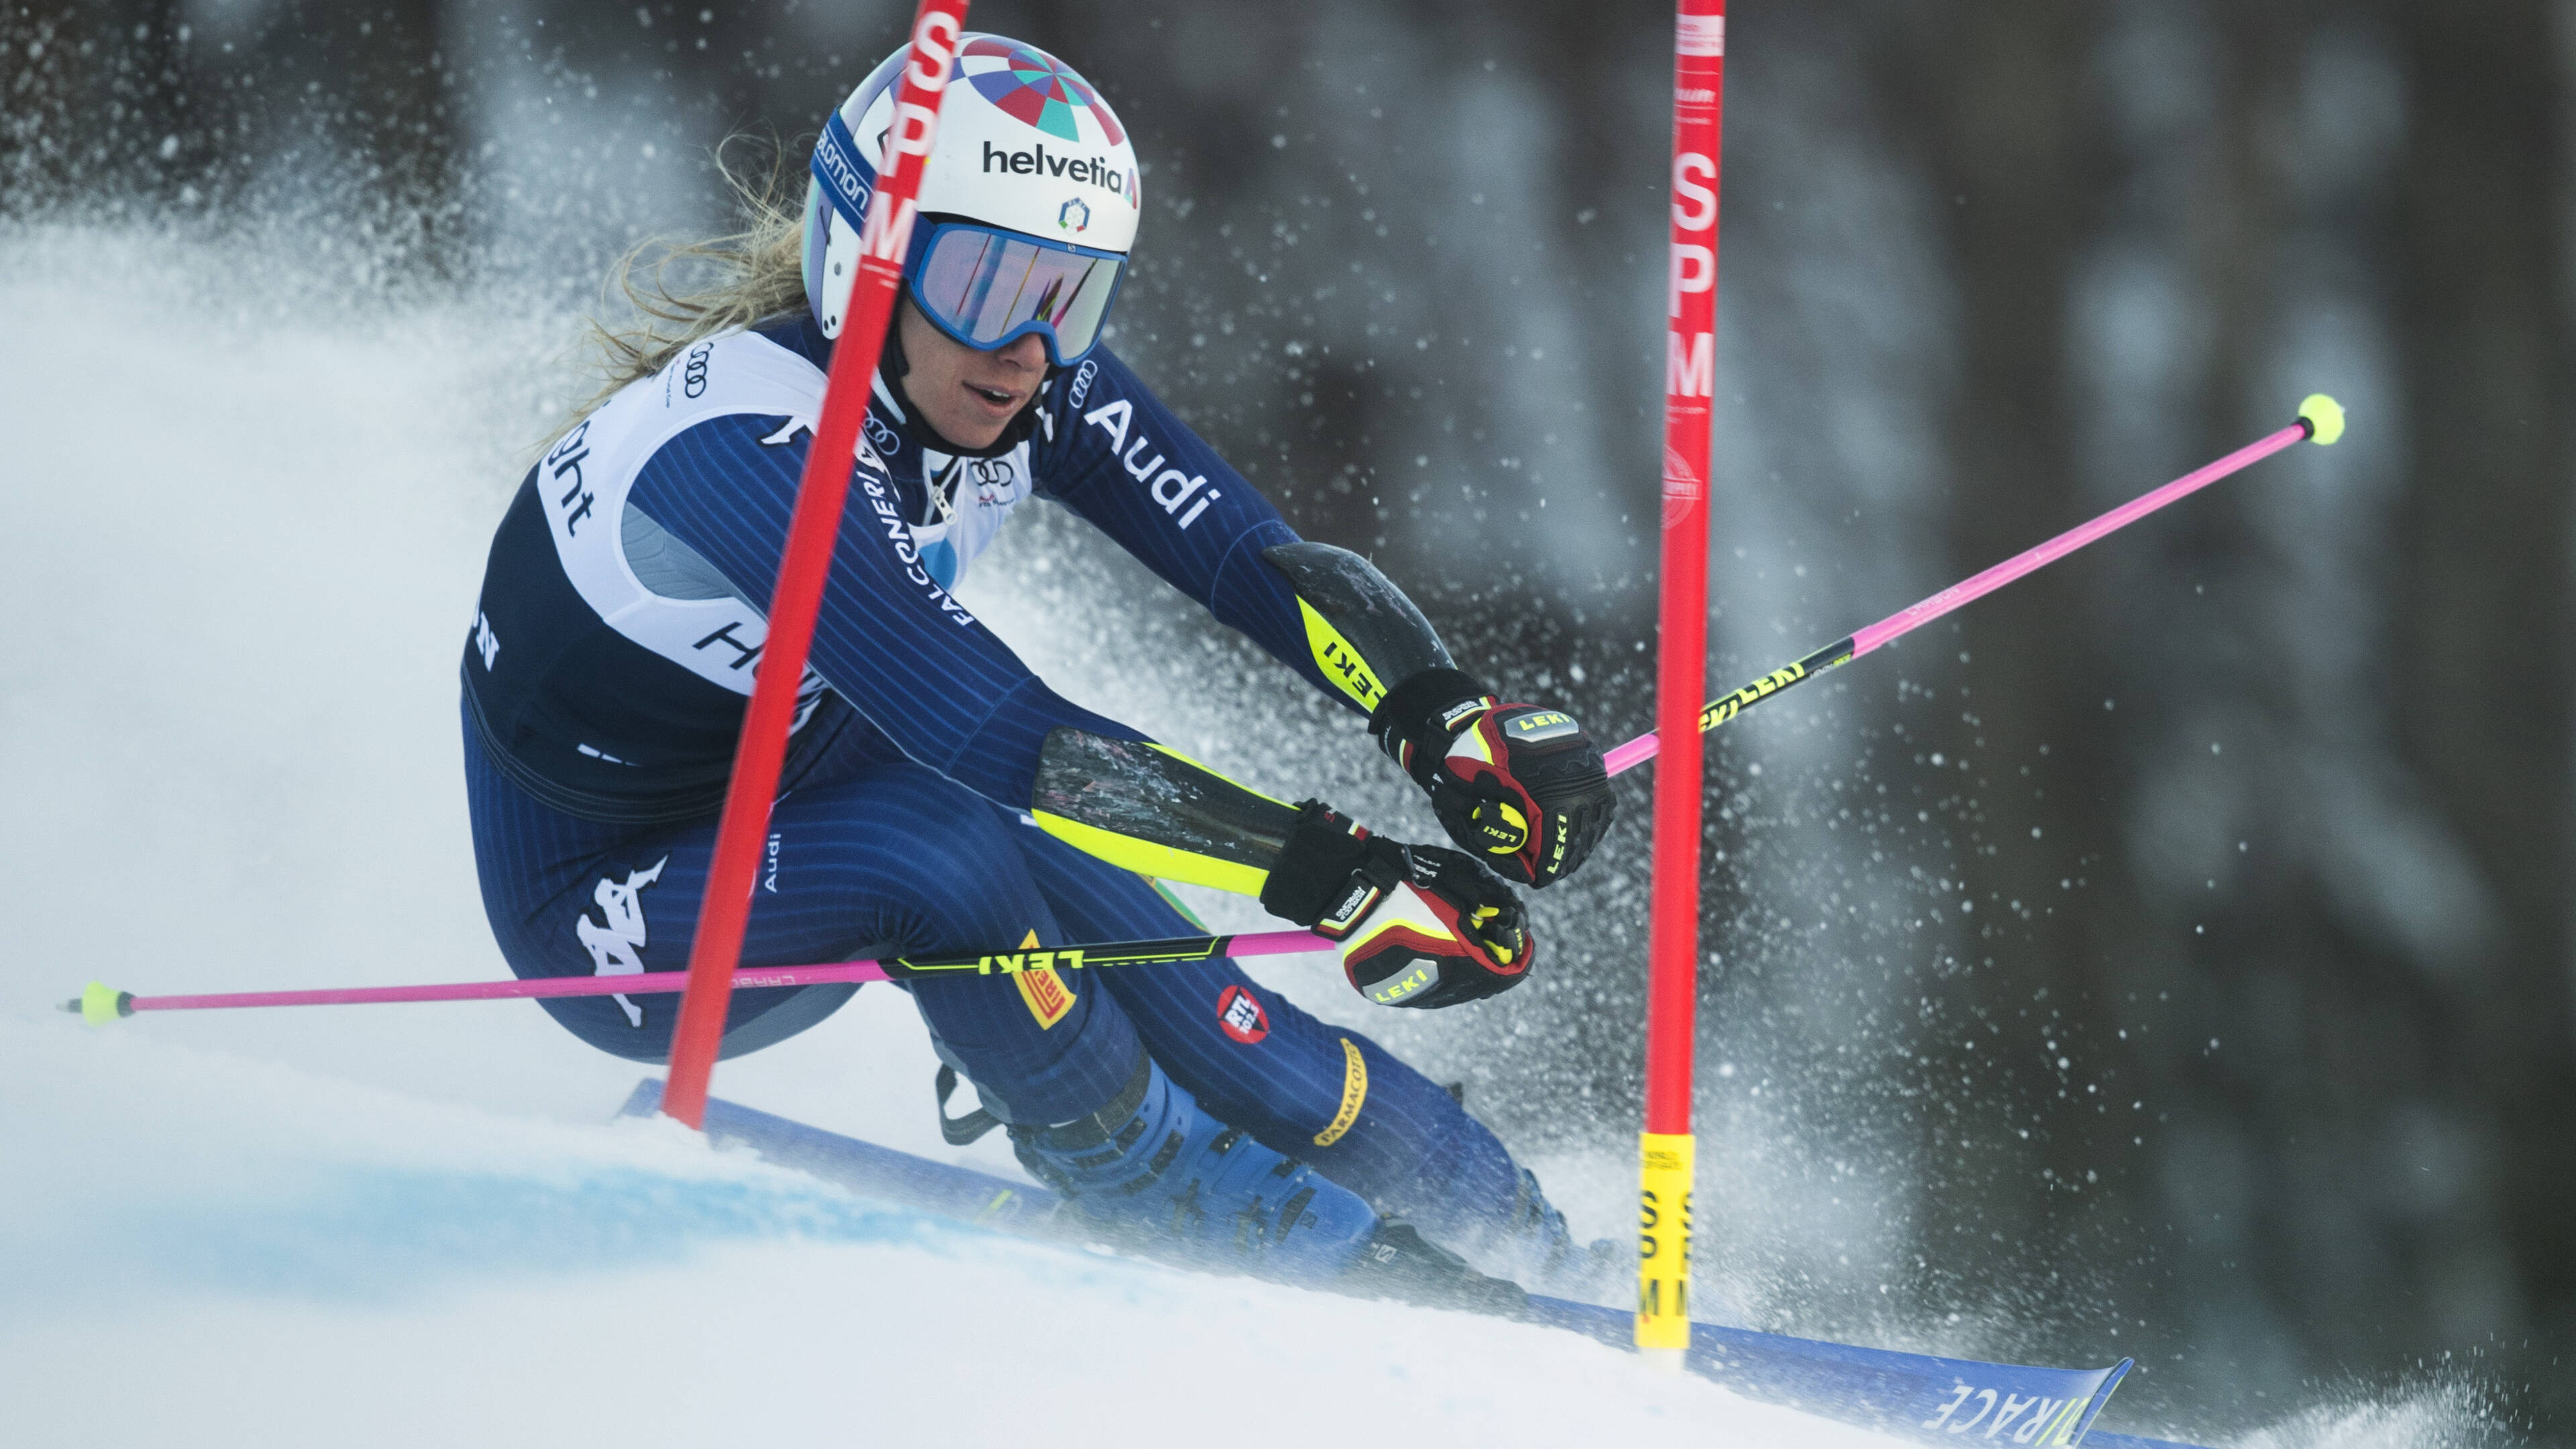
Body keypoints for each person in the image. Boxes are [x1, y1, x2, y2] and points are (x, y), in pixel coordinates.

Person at [460, 34, 1619, 1306]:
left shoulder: (1005, 376)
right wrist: (1345, 880)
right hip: (623, 904)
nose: (1027, 346)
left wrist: (1438, 714)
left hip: (817, 770)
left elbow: (1244, 554)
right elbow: (1004, 733)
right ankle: (1157, 1182)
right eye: (987, 277)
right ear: (869, 261)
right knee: (948, 854)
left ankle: (1533, 1248)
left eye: (1070, 291)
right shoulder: (747, 449)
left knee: (1220, 1020)